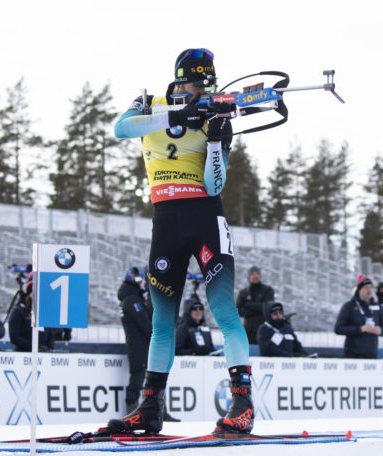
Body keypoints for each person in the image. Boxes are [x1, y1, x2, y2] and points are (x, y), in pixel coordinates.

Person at [107, 48, 246, 435]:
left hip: (205, 216)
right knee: (161, 323)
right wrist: (176, 114)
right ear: (181, 79)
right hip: (166, 221)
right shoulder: (150, 102)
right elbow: (121, 128)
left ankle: (243, 402)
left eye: (210, 83)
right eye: (199, 83)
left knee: (223, 309)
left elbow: (215, 185)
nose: (205, 90)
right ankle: (150, 407)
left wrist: (217, 144)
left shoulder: (216, 115)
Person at [117, 266, 152, 413]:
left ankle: (156, 410)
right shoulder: (132, 301)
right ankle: (132, 410)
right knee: (137, 378)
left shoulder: (132, 299)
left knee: (150, 379)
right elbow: (146, 325)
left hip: (138, 345)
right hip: (138, 346)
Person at [334, 274, 383, 359]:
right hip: (352, 356)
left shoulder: (377, 307)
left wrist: (380, 331)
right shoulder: (349, 306)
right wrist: (360, 329)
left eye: (371, 287)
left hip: (372, 355)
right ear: (359, 290)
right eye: (366, 287)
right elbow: (338, 329)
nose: (369, 290)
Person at [8, 276, 54, 352]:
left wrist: (49, 348)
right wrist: (33, 347)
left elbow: (50, 335)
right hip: (23, 354)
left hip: (43, 355)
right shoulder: (18, 311)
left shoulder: (44, 312)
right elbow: (14, 337)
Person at [236, 266, 275, 345]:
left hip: (264, 329)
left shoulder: (268, 290)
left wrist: (248, 305)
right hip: (248, 330)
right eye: (252, 274)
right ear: (248, 277)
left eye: (257, 274)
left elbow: (267, 307)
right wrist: (259, 308)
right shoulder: (243, 293)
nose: (255, 276)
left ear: (260, 276)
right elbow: (238, 311)